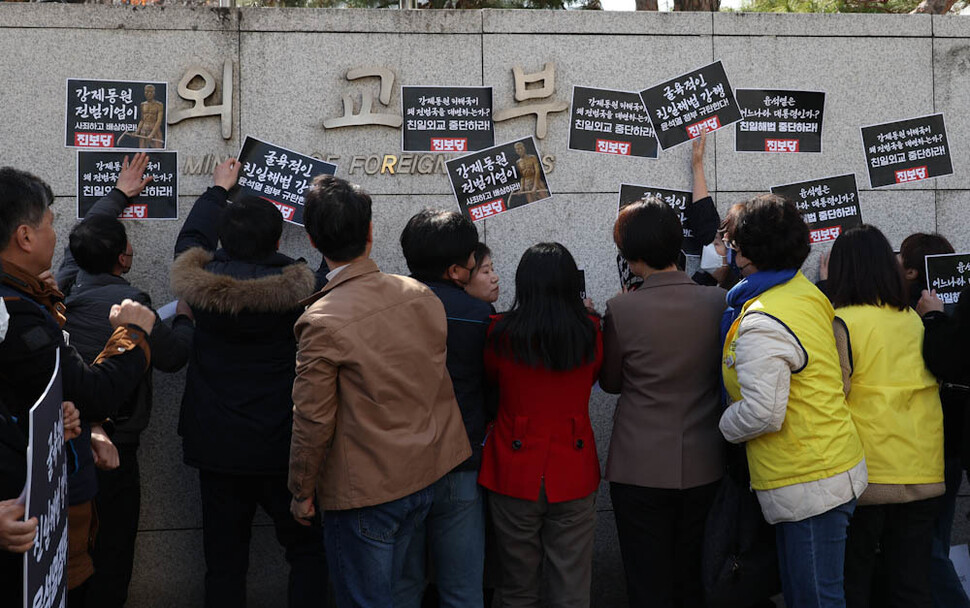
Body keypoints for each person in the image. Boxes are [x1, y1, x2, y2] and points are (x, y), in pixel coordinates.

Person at [287, 176, 471, 608]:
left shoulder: (320, 320)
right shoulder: (419, 294)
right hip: (425, 474)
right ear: (371, 232)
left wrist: (301, 489)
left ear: (313, 240)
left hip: (365, 492)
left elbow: (312, 418)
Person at [171, 158, 326, 608]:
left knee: (224, 562)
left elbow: (190, 241)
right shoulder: (306, 291)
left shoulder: (200, 289)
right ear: (279, 239)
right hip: (283, 447)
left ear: (223, 241)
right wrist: (323, 201)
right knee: (306, 551)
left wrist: (218, 190)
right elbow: (333, 254)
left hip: (216, 447)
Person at [0, 166, 156, 607]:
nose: (58, 235)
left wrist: (74, 419)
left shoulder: (36, 295)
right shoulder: (18, 316)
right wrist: (133, 333)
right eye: (51, 223)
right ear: (25, 237)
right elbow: (95, 391)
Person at [718, 194, 867, 608]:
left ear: (750, 252)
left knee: (815, 599)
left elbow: (763, 412)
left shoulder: (763, 317)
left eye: (733, 245)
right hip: (827, 465)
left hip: (808, 479)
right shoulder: (802, 292)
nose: (731, 255)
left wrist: (724, 424)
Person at [59, 210, 192, 607]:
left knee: (74, 554)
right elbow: (173, 356)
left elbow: (77, 244)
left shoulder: (62, 288)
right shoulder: (130, 301)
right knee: (112, 553)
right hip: (115, 450)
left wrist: (117, 195)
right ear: (123, 258)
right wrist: (184, 320)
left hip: (65, 442)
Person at [599, 198, 727, 608]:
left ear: (631, 257)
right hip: (707, 461)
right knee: (695, 579)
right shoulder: (719, 302)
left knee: (646, 582)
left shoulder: (620, 309)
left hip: (638, 465)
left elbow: (612, 382)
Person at [477, 242, 602, 608]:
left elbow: (491, 377)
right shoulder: (590, 330)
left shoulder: (499, 332)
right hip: (574, 468)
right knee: (572, 590)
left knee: (516, 588)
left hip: (513, 469)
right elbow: (597, 374)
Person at [825, 225, 944, 608]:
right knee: (911, 585)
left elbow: (833, 396)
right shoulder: (912, 318)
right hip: (923, 469)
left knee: (854, 583)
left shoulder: (842, 322)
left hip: (868, 476)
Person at [396, 209, 492, 608]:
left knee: (401, 587)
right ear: (456, 270)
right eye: (474, 259)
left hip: (399, 465)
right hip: (461, 462)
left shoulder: (386, 308)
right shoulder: (481, 317)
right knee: (462, 589)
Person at [899, 233, 970, 608]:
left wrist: (934, 319)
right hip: (953, 442)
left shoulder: (913, 314)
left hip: (930, 443)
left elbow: (945, 358)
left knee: (925, 542)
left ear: (912, 271)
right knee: (935, 536)